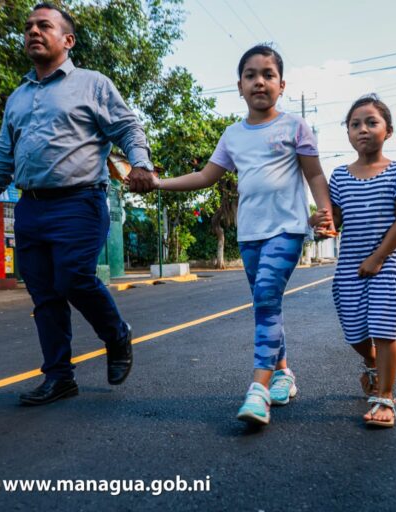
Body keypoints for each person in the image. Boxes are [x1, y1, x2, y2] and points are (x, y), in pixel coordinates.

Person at [137, 45, 335, 426]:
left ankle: (258, 389)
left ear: (281, 84)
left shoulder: (295, 126)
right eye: (250, 75)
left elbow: (314, 174)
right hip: (250, 235)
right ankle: (283, 373)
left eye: (268, 74)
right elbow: (206, 177)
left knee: (265, 298)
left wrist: (323, 212)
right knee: (268, 304)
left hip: (288, 229)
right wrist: (159, 183)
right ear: (239, 86)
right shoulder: (232, 134)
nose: (259, 81)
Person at [0, 3, 157, 406]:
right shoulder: (18, 98)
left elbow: (127, 126)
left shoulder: (92, 84)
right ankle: (59, 377)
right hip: (31, 208)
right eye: (28, 27)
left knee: (73, 279)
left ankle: (116, 335)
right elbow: (4, 150)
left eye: (44, 26)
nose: (33, 32)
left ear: (67, 40)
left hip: (80, 200)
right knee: (44, 296)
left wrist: (141, 162)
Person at [329, 94, 396, 428]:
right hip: (350, 267)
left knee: (383, 332)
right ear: (348, 134)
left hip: (387, 264)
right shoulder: (339, 176)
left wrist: (378, 259)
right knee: (355, 334)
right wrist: (320, 223)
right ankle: (372, 364)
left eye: (371, 122)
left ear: (388, 131)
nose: (362, 129)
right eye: (355, 124)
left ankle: (386, 397)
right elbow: (334, 220)